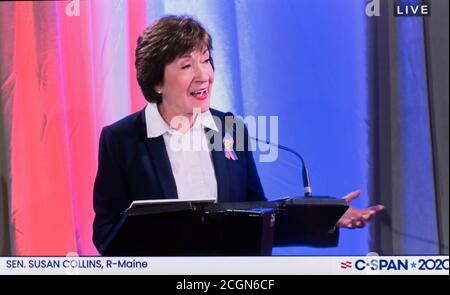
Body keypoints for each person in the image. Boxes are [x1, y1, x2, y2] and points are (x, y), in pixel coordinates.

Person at [92, 15, 383, 253]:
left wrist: (325, 218)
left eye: (205, 60)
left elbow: (258, 220)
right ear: (156, 82)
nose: (203, 75)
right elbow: (105, 235)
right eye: (186, 65)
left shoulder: (230, 129)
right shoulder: (121, 140)